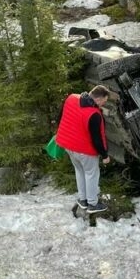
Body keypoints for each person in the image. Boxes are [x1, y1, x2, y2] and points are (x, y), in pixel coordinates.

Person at [55, 85, 111, 214]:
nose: (104, 103)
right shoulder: (94, 114)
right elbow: (97, 139)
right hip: (84, 150)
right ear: (98, 99)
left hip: (69, 146)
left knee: (80, 171)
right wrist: (105, 155)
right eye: (104, 100)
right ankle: (92, 204)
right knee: (91, 174)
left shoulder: (71, 98)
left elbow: (62, 116)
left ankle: (83, 200)